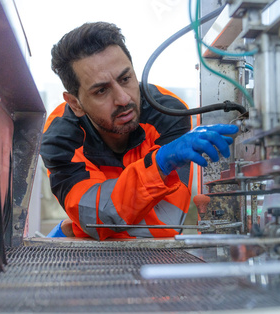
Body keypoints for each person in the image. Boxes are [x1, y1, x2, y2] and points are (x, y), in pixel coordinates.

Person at [40, 22, 238, 240]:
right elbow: (96, 220)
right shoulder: (61, 137)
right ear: (75, 103)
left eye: (126, 79)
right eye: (101, 90)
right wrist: (159, 164)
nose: (123, 99)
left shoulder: (168, 114)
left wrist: (77, 229)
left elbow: (164, 225)